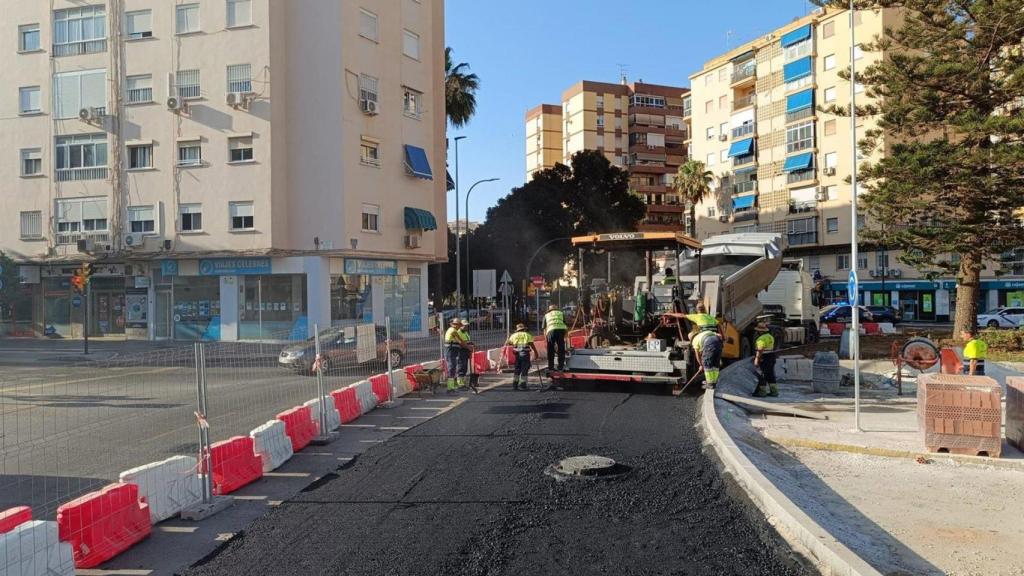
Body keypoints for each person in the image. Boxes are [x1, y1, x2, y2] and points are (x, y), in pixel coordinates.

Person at [506, 323, 539, 391]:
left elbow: (508, 343)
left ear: (517, 330)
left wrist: (508, 337)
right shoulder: (527, 335)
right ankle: (523, 385)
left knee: (517, 369)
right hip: (525, 354)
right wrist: (536, 353)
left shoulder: (513, 335)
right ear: (524, 329)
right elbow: (531, 344)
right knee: (524, 369)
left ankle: (515, 385)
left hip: (517, 355)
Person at [753, 320, 778, 397]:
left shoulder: (761, 339)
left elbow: (760, 350)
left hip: (764, 357)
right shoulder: (770, 337)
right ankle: (774, 392)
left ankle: (762, 392)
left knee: (762, 375)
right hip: (772, 356)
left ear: (760, 331)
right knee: (770, 374)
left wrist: (756, 359)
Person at [444, 319, 467, 392]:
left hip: (452, 351)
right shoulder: (453, 331)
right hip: (450, 351)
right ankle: (450, 387)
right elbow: (460, 341)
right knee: (451, 368)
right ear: (452, 324)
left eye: (458, 324)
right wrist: (468, 347)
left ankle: (452, 386)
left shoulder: (454, 330)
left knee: (453, 368)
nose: (458, 326)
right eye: (456, 324)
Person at [544, 304, 568, 372]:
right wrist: (566, 337)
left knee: (550, 349)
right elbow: (565, 325)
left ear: (549, 310)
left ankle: (551, 367)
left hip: (551, 331)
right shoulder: (561, 313)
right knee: (561, 348)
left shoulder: (546, 315)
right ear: (557, 309)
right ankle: (560, 367)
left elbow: (544, 328)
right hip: (561, 330)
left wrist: (546, 339)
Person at [457, 319, 474, 389]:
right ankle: (460, 384)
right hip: (461, 352)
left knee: (465, 368)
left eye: (467, 325)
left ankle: (463, 384)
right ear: (461, 326)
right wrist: (468, 346)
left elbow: (467, 341)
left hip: (466, 351)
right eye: (464, 325)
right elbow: (460, 343)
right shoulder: (458, 333)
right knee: (461, 368)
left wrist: (471, 344)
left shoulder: (466, 332)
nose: (466, 327)